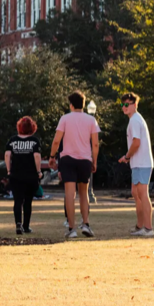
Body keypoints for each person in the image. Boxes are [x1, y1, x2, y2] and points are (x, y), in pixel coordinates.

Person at [49, 91, 100, 239]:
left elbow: (57, 141)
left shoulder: (65, 119)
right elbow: (95, 143)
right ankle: (86, 223)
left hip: (68, 159)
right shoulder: (91, 120)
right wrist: (94, 160)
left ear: (71, 105)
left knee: (70, 195)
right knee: (84, 193)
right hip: (85, 159)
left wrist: (52, 156)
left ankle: (71, 228)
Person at [118, 93, 154, 237]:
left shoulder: (134, 120)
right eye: (123, 105)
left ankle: (148, 228)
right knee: (136, 193)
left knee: (142, 194)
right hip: (138, 163)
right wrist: (128, 158)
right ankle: (140, 226)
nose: (124, 107)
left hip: (141, 163)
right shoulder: (135, 119)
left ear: (135, 105)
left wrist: (127, 156)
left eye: (127, 104)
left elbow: (136, 142)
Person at [5, 115, 42, 235]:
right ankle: (26, 226)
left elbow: (7, 155)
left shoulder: (12, 140)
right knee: (28, 201)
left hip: (16, 175)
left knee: (17, 201)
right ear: (32, 128)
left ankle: (18, 224)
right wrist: (39, 171)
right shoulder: (34, 141)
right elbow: (37, 156)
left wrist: (9, 170)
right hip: (31, 176)